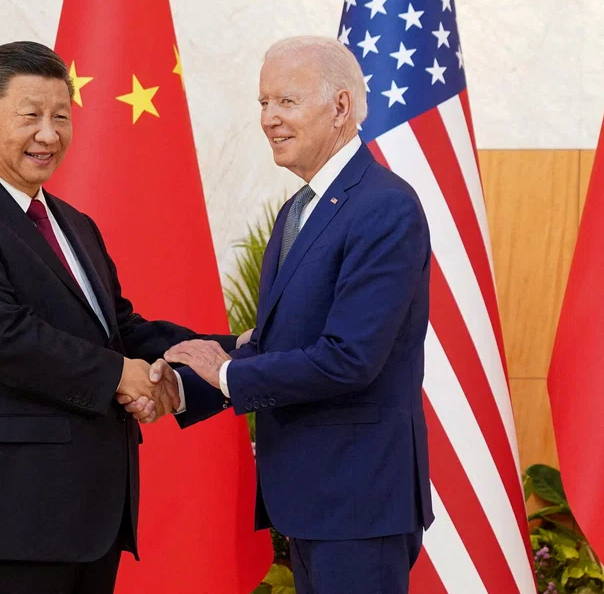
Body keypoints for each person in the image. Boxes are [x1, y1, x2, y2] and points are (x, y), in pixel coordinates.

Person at [0, 41, 236, 594]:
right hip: (8, 523)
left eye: (61, 116)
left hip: (91, 516)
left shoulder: (74, 223)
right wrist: (119, 375)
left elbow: (120, 329)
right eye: (30, 116)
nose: (49, 133)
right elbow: (4, 337)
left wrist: (221, 353)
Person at [160, 36, 434, 594]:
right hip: (312, 500)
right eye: (263, 103)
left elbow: (349, 359)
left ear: (339, 108)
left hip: (360, 503)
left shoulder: (384, 207)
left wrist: (227, 373)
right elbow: (277, 341)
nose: (268, 119)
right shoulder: (297, 210)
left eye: (285, 102)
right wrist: (184, 388)